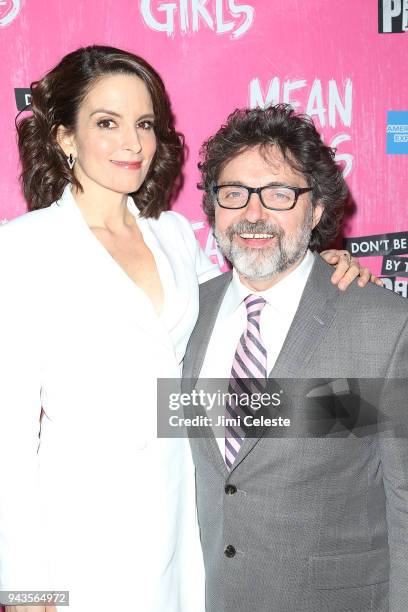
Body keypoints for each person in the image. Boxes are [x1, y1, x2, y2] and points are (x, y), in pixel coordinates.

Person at [0, 46, 374, 612]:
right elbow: (8, 436)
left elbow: (243, 306)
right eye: (107, 123)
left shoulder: (172, 234)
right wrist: (25, 585)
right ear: (64, 137)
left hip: (181, 509)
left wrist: (316, 265)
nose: (133, 143)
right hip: (78, 526)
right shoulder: (23, 248)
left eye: (144, 124)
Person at [183, 104, 408, 611]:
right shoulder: (186, 315)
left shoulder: (383, 324)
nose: (253, 214)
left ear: (318, 210)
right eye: (234, 193)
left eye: (280, 194)